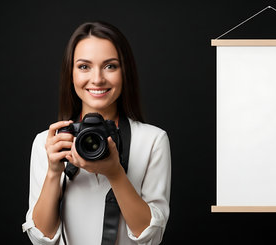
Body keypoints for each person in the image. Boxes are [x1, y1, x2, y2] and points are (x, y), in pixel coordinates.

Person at [22, 21, 171, 245]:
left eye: (110, 66)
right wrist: (54, 171)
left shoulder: (152, 140)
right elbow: (40, 239)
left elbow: (151, 238)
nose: (98, 79)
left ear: (125, 71)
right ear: (70, 73)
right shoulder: (49, 142)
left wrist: (115, 174)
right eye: (84, 66)